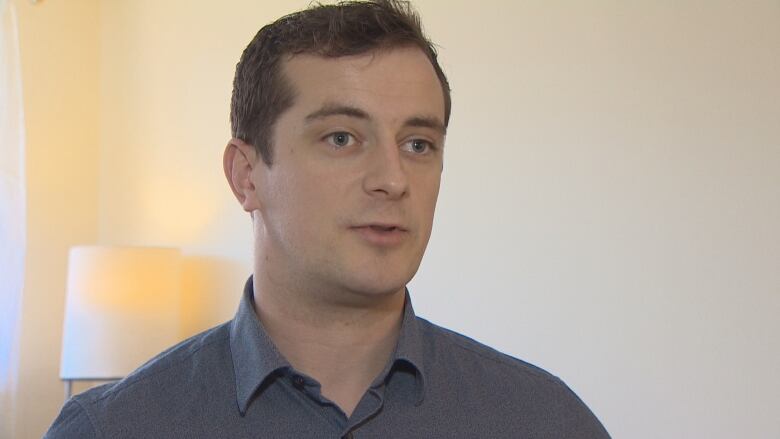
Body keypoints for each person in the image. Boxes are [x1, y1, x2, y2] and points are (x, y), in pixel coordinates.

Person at [45, 1, 610, 437]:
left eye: (417, 143)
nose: (392, 178)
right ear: (246, 175)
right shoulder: (115, 429)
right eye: (342, 138)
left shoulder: (545, 421)